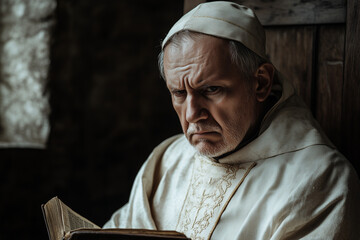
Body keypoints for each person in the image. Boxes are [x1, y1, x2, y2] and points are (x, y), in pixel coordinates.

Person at [104, 1, 360, 239]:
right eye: (179, 93)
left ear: (260, 83)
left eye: (211, 90)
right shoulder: (167, 161)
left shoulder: (319, 179)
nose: (192, 114)